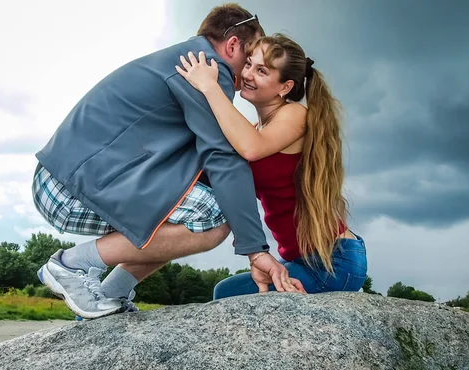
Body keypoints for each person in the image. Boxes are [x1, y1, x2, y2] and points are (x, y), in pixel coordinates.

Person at [34, 5, 303, 320]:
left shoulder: (191, 60)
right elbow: (223, 159)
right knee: (214, 217)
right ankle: (71, 265)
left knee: (192, 211)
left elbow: (211, 161)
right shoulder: (206, 68)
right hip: (69, 186)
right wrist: (256, 249)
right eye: (250, 58)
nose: (246, 73)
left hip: (66, 180)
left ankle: (112, 292)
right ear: (232, 46)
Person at [175, 33, 367, 299]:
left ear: (285, 87)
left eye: (262, 70)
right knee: (226, 291)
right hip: (301, 261)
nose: (248, 74)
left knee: (228, 294)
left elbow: (251, 148)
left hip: (332, 262)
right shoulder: (258, 129)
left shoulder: (295, 115)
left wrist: (210, 87)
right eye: (249, 63)